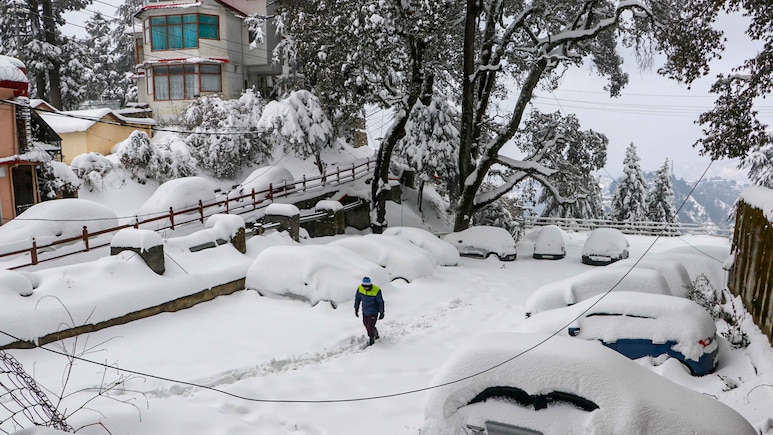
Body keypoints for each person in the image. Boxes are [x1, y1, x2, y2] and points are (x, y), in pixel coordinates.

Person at [354, 276, 384, 346]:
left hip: (373, 312)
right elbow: (357, 299)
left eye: (367, 287)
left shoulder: (376, 290)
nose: (366, 288)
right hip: (365, 311)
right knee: (366, 324)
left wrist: (381, 312)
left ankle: (371, 340)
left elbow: (380, 302)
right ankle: (374, 332)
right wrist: (356, 308)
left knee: (370, 327)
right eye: (364, 286)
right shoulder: (360, 289)